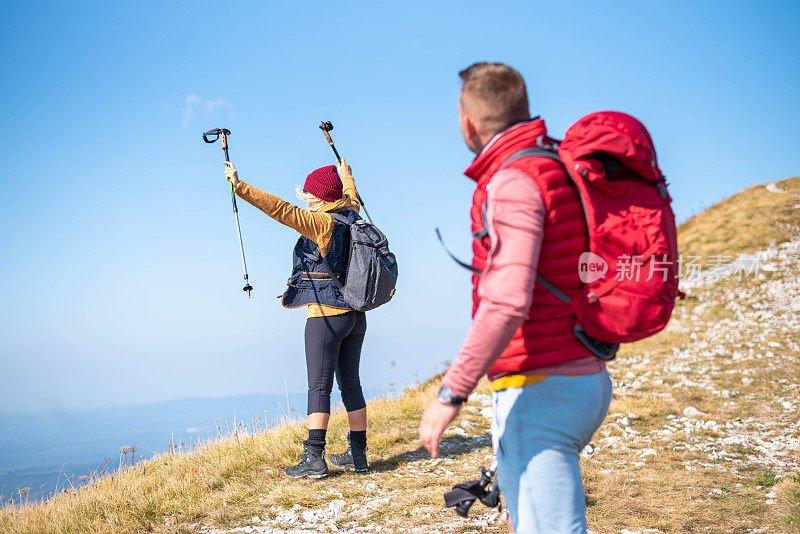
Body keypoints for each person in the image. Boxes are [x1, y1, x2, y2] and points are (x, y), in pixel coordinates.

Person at [418, 62, 613, 533]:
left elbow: (506, 302)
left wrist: (450, 393)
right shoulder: (556, 166)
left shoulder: (513, 182)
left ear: (468, 121)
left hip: (543, 387)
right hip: (583, 371)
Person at [225, 159, 370, 478]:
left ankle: (315, 458)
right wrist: (347, 177)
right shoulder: (351, 214)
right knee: (351, 385)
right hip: (355, 317)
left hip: (326, 317)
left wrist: (240, 186)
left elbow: (281, 210)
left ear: (318, 198)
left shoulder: (321, 223)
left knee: (318, 387)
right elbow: (351, 195)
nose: (304, 198)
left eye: (308, 194)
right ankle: (358, 457)